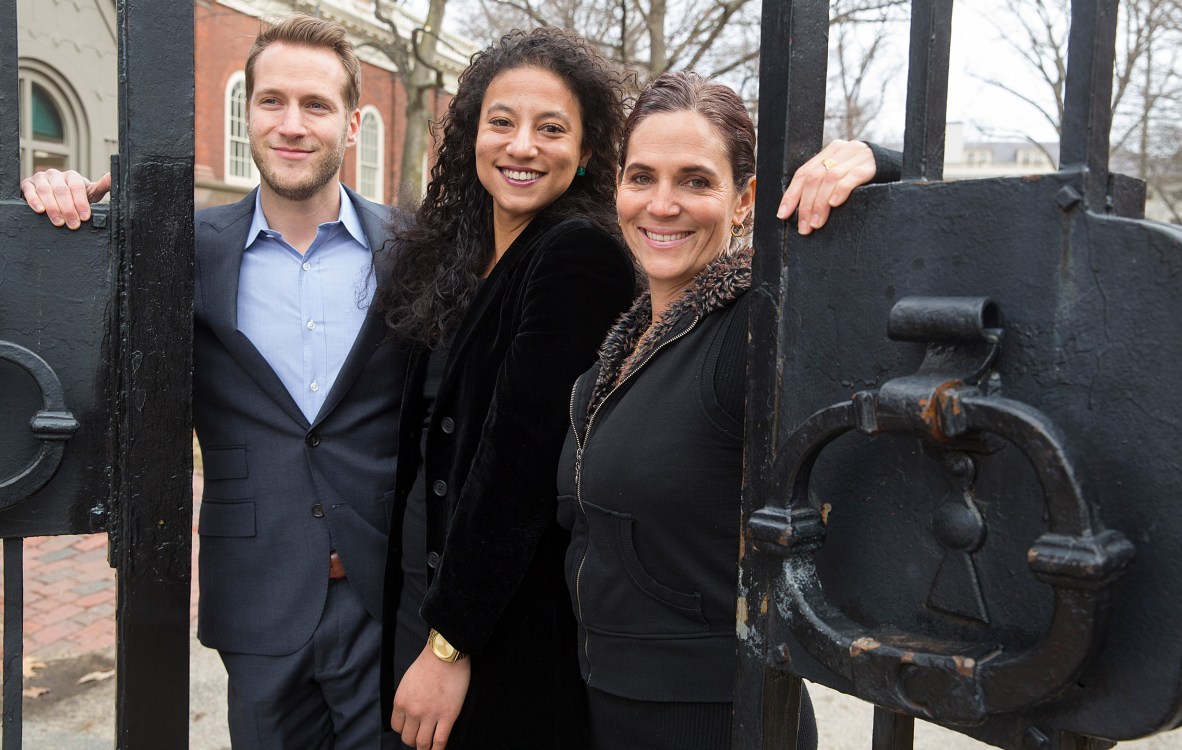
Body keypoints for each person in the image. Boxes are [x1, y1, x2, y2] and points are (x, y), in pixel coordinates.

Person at [21, 16, 411, 749]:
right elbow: (70, 333)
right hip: (258, 592)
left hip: (387, 597)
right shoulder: (184, 247)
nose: (291, 125)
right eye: (271, 102)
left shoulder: (410, 247)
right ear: (248, 111)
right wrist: (55, 210)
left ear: (352, 124)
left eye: (317, 105)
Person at [557, 70, 900, 750]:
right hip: (608, 702)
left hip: (716, 715)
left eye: (694, 180)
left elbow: (898, 292)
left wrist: (883, 164)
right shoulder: (620, 350)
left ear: (744, 199)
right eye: (642, 177)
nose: (662, 204)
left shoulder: (756, 328)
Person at [374, 27, 638, 750]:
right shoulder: (463, 253)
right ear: (472, 135)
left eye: (551, 128)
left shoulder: (578, 255)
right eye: (502, 122)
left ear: (586, 153)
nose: (522, 145)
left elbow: (519, 469)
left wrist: (449, 644)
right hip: (423, 591)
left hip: (500, 630)